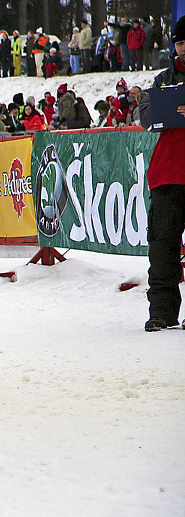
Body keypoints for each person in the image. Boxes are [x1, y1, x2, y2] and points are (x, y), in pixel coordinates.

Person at [138, 15, 185, 331]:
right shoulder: (162, 80)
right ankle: (162, 312)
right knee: (163, 246)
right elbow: (145, 115)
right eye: (181, 43)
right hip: (167, 174)